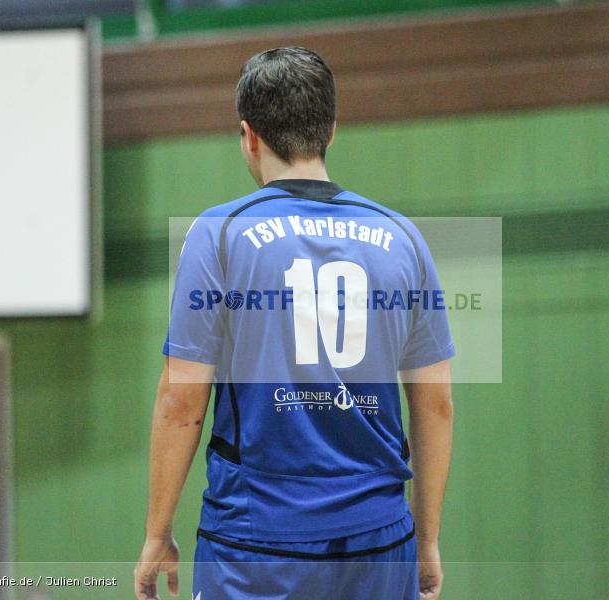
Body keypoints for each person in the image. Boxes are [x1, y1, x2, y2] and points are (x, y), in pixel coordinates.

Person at [134, 47, 454, 600]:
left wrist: (156, 535)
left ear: (248, 135)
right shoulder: (403, 238)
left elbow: (180, 402)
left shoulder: (219, 235)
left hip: (255, 544)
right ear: (330, 131)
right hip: (379, 543)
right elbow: (436, 404)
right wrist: (426, 542)